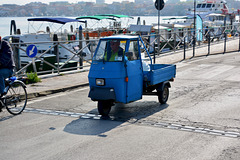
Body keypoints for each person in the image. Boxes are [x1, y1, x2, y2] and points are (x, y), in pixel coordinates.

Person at [0, 36, 15, 111]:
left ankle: (2, 94)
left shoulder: (5, 45)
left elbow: (7, 57)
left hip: (8, 68)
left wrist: (0, 63)